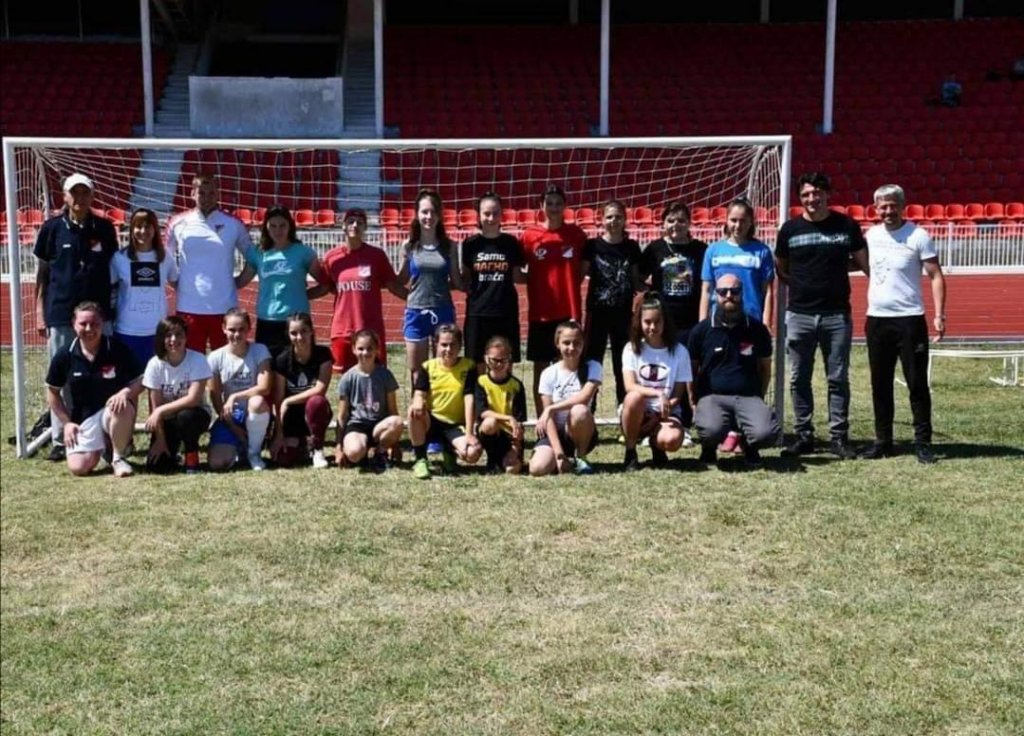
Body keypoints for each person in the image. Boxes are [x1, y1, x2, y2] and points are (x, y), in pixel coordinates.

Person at [774, 173, 869, 460]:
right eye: (806, 194)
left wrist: (834, 269)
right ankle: (804, 436)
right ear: (800, 198)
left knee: (837, 378)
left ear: (827, 194)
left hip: (836, 315)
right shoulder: (789, 230)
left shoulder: (846, 226)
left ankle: (838, 437)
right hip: (799, 314)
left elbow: (864, 263)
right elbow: (782, 267)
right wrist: (802, 285)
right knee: (798, 378)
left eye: (816, 193)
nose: (812, 199)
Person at [34, 173, 119, 461]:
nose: (80, 198)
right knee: (62, 376)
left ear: (92, 196)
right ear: (65, 196)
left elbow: (113, 269)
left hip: (97, 315)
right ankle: (62, 437)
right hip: (60, 313)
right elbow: (43, 274)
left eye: (85, 192)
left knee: (104, 373)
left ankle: (104, 434)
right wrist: (40, 313)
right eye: (75, 192)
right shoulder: (52, 229)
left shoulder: (104, 228)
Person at [861, 184, 947, 464]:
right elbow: (856, 263)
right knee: (880, 384)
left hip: (909, 320)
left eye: (893, 205)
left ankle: (922, 442)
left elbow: (935, 275)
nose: (888, 211)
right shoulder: (871, 236)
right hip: (877, 320)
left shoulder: (918, 235)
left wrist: (939, 315)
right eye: (883, 206)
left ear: (902, 206)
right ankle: (883, 441)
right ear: (876, 209)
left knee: (916, 383)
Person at [700, 197, 775, 455]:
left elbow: (768, 291)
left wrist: (766, 322)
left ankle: (744, 432)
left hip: (749, 326)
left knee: (748, 376)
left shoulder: (761, 251)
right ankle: (719, 429)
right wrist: (703, 322)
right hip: (720, 324)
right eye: (733, 219)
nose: (737, 225)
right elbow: (707, 289)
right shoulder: (714, 251)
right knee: (717, 374)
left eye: (743, 220)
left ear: (751, 222)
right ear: (726, 220)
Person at [688, 274, 780, 469]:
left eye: (734, 291)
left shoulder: (757, 329)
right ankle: (708, 447)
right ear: (716, 294)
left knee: (766, 433)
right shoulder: (701, 331)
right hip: (712, 396)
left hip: (747, 396)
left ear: (742, 293)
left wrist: (758, 397)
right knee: (710, 430)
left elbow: (765, 368)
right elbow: (692, 370)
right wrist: (693, 401)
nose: (729, 295)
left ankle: (749, 443)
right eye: (723, 291)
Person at [44, 301, 143, 477]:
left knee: (121, 406)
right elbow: (52, 392)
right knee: (78, 467)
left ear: (102, 324)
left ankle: (118, 457)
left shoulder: (116, 348)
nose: (89, 329)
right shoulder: (65, 354)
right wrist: (67, 423)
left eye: (94, 324)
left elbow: (141, 380)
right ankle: (103, 445)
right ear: (74, 324)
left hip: (112, 412)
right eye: (83, 324)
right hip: (84, 419)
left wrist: (125, 393)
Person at [166, 173, 254, 353]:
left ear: (218, 194)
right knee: (190, 362)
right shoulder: (177, 223)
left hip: (225, 309)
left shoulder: (233, 224)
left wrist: (239, 282)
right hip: (189, 307)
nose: (206, 197)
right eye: (201, 193)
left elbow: (253, 257)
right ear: (192, 194)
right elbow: (164, 258)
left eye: (211, 193)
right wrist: (176, 282)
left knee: (226, 362)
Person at [521, 184, 587, 415]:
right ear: (542, 206)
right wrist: (537, 282)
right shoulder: (529, 236)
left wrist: (566, 284)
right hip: (540, 312)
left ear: (565, 205)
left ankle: (570, 416)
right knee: (541, 368)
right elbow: (518, 271)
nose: (554, 207)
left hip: (569, 311)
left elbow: (583, 270)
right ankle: (543, 419)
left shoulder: (576, 235)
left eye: (558, 203)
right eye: (549, 203)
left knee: (571, 365)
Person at [235, 204, 329, 358]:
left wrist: (304, 295)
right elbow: (241, 281)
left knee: (299, 366)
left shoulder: (304, 253)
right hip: (267, 321)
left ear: (290, 226)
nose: (278, 230)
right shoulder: (257, 253)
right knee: (268, 367)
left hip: (297, 323)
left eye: (282, 225)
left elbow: (325, 284)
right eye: (273, 226)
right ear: (266, 227)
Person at [322, 207, 408, 373]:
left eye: (359, 223)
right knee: (345, 379)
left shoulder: (377, 256)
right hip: (342, 329)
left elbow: (393, 286)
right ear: (343, 226)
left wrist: (416, 300)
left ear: (365, 227)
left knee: (375, 376)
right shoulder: (331, 258)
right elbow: (326, 287)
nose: (355, 225)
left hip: (371, 329)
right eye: (350, 222)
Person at [620, 293, 692, 471]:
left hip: (665, 412)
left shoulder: (680, 351)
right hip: (638, 411)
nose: (652, 327)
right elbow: (629, 386)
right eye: (647, 322)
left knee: (671, 440)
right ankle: (630, 451)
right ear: (639, 322)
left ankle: (657, 445)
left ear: (665, 322)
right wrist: (658, 393)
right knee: (634, 397)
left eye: (657, 321)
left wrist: (661, 413)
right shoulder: (631, 349)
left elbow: (678, 394)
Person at [397, 189, 463, 383]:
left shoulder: (449, 246)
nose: (429, 216)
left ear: (439, 215)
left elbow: (457, 281)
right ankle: (418, 403)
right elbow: (401, 279)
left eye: (433, 212)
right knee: (417, 373)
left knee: (443, 369)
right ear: (417, 214)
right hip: (416, 313)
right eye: (424, 211)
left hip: (443, 312)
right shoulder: (408, 246)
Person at [581, 199, 641, 408]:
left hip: (623, 313)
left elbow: (636, 279)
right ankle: (588, 405)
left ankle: (624, 406)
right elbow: (580, 274)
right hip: (597, 312)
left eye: (618, 217)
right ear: (601, 219)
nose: (613, 221)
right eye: (609, 217)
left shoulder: (631, 247)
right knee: (592, 359)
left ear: (625, 219)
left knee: (622, 360)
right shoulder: (592, 246)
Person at [407, 324, 483, 480]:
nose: (448, 349)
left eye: (452, 345)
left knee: (473, 454)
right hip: (432, 422)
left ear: (460, 346)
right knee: (413, 411)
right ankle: (420, 459)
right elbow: (419, 392)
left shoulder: (468, 367)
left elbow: (469, 399)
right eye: (444, 345)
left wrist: (469, 433)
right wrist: (418, 401)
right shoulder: (428, 367)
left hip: (454, 425)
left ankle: (449, 452)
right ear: (436, 345)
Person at [460, 191, 524, 368]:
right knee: (477, 367)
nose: (491, 218)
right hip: (478, 312)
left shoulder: (511, 243)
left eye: (495, 213)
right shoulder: (470, 244)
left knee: (504, 366)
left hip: (505, 312)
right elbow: (466, 278)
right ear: (479, 215)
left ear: (502, 214)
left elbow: (517, 276)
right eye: (486, 213)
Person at [530, 320, 602, 476]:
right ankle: (560, 458)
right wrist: (559, 454)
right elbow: (549, 419)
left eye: (577, 343)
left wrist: (551, 408)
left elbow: (584, 398)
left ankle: (580, 457)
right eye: (566, 343)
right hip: (554, 432)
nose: (572, 348)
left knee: (580, 410)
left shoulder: (593, 367)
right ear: (557, 343)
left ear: (583, 344)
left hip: (579, 430)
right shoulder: (548, 373)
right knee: (537, 469)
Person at [143, 315, 213, 474]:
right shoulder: (154, 364)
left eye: (179, 334)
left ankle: (192, 457)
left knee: (185, 417)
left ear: (186, 337)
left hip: (195, 414)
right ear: (161, 338)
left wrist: (160, 410)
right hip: (167, 419)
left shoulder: (198, 359)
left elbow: (193, 399)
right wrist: (160, 440)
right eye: (168, 335)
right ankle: (174, 455)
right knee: (158, 467)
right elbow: (155, 406)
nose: (174, 339)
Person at [110, 207, 178, 368]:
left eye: (148, 227)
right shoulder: (119, 258)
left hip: (157, 330)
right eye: (138, 226)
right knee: (128, 379)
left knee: (156, 380)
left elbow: (176, 282)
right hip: (126, 330)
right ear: (131, 229)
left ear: (155, 229)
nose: (143, 231)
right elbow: (111, 288)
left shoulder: (165, 257)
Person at [206, 309, 273, 472]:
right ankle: (240, 447)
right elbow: (216, 397)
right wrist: (234, 428)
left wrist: (234, 396)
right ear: (223, 329)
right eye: (232, 330)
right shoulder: (215, 357)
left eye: (241, 329)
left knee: (257, 401)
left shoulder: (260, 350)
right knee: (217, 463)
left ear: (249, 328)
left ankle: (254, 453)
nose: (237, 334)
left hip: (254, 412)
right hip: (231, 416)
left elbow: (264, 387)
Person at [269, 312, 334, 469]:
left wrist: (289, 400)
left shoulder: (323, 354)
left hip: (313, 411)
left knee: (317, 402)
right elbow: (278, 399)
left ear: (311, 331)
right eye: (294, 333)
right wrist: (278, 434)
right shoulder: (282, 360)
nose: (299, 337)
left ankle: (317, 448)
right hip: (291, 416)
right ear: (288, 335)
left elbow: (320, 389)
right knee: (282, 459)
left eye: (304, 331)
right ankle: (303, 445)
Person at [335, 329, 404, 472]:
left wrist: (395, 444)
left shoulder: (385, 375)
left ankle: (380, 452)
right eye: (361, 348)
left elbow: (393, 410)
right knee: (354, 453)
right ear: (354, 349)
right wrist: (338, 447)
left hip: (378, 425)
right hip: (357, 425)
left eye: (369, 348)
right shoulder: (348, 378)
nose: (365, 353)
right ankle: (362, 451)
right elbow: (342, 416)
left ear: (377, 350)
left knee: (397, 422)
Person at [639, 201, 708, 340]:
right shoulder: (654, 248)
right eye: (671, 221)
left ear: (689, 223)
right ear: (664, 224)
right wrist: (648, 292)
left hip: (692, 317)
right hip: (663, 317)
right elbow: (639, 275)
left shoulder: (701, 249)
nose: (676, 224)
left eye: (681, 220)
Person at [475, 336, 527, 475]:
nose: (498, 364)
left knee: (512, 470)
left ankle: (506, 459)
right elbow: (482, 412)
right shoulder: (481, 382)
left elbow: (519, 419)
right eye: (494, 360)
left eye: (503, 360)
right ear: (486, 359)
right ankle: (492, 459)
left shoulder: (516, 385)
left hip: (509, 435)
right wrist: (508, 418)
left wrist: (517, 442)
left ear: (509, 359)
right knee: (490, 422)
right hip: (490, 430)